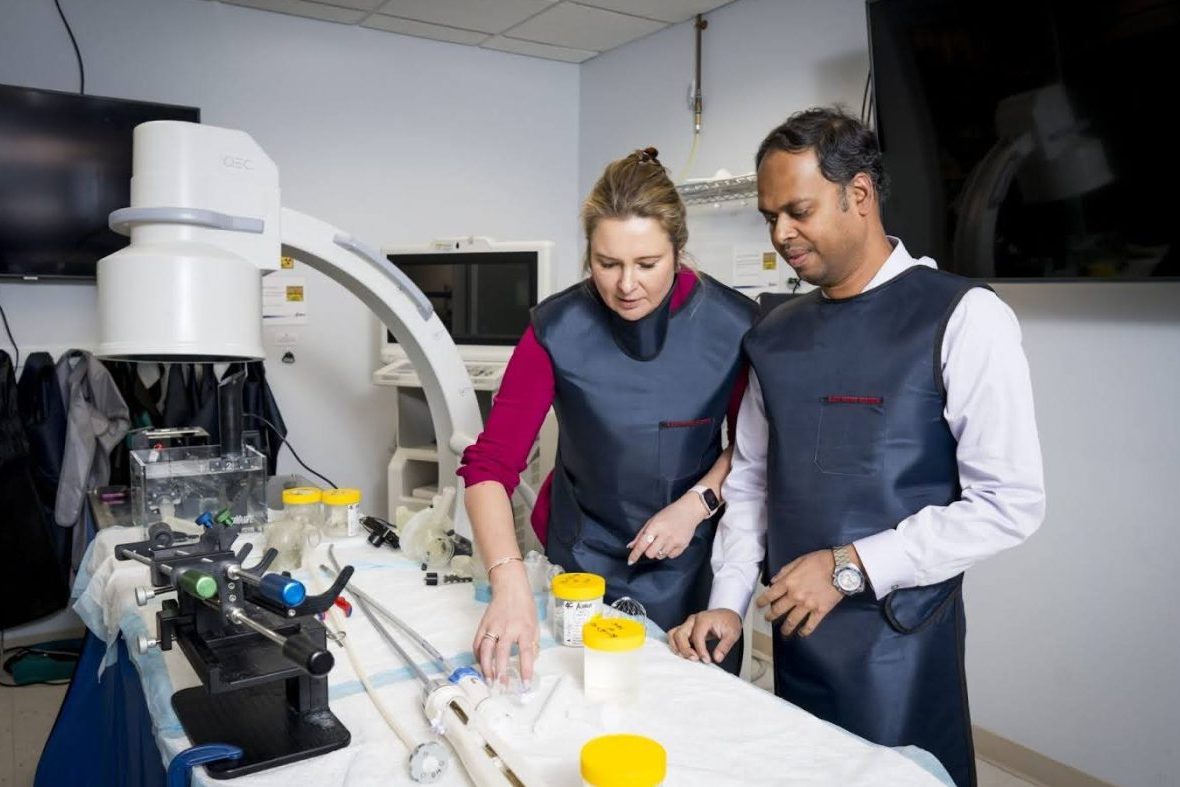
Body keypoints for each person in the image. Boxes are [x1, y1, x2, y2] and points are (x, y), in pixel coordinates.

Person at [667, 107, 1045, 787]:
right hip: (796, 637)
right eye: (768, 216)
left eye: (798, 210)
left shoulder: (964, 317)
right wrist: (728, 599)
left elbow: (1009, 504)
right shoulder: (774, 334)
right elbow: (752, 480)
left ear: (860, 195)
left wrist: (849, 567)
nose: (781, 233)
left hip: (898, 645)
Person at [459, 147, 757, 686]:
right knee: (580, 700)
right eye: (607, 263)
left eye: (647, 264)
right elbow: (490, 465)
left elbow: (756, 448)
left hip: (692, 560)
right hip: (581, 558)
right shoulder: (555, 328)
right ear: (588, 253)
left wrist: (697, 503)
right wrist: (508, 583)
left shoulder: (733, 325)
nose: (626, 285)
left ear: (679, 250)